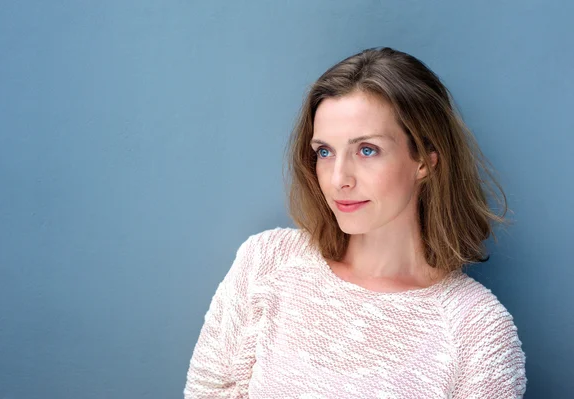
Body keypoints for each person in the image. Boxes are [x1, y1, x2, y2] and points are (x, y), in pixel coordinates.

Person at [183, 47, 527, 398]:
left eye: (366, 150)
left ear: (424, 161)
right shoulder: (267, 263)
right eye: (325, 152)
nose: (338, 179)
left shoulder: (478, 331)